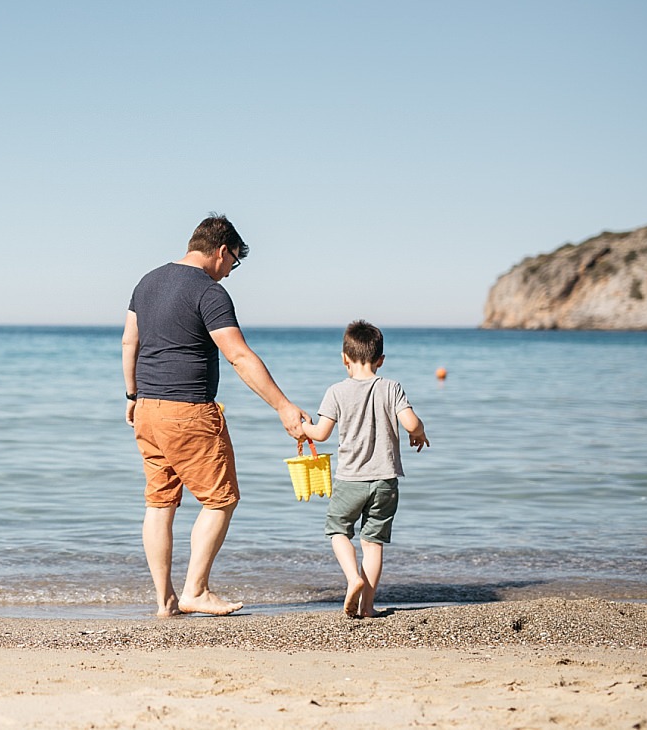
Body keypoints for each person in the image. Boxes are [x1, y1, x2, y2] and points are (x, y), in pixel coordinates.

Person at [122, 214, 308, 617]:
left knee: (159, 504)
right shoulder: (209, 293)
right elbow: (239, 356)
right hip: (189, 410)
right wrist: (283, 406)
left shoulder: (147, 282)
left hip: (148, 409)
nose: (229, 273)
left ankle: (165, 600)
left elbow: (129, 341)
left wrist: (132, 395)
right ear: (222, 250)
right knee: (221, 500)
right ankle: (196, 590)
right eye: (234, 263)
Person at [301, 320, 430, 618]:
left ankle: (352, 578)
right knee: (373, 544)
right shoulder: (392, 387)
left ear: (344, 358)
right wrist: (418, 432)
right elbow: (410, 422)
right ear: (380, 360)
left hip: (350, 480)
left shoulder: (336, 391)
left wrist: (303, 427)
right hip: (385, 481)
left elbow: (320, 434)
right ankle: (368, 606)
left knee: (337, 530)